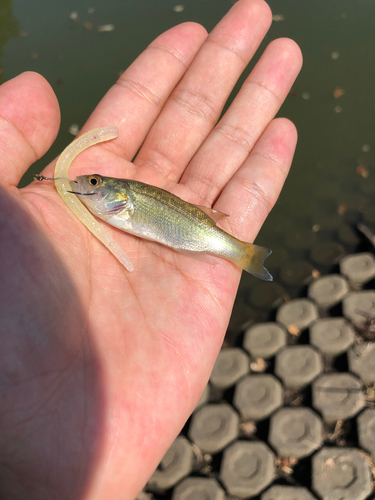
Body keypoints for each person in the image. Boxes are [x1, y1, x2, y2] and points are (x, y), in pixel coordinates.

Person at [0, 0, 302, 498]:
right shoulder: (107, 203)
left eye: (95, 181)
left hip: (200, 235)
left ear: (115, 192)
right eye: (91, 180)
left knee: (226, 242)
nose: (88, 185)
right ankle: (241, 252)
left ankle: (242, 252)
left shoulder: (120, 202)